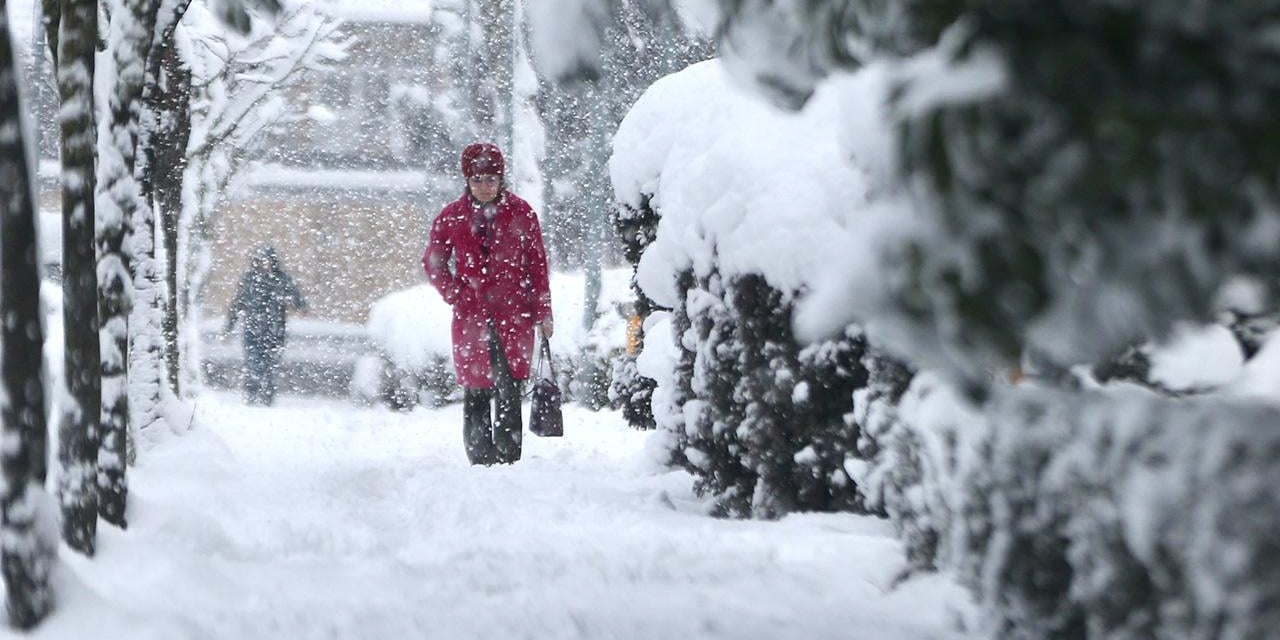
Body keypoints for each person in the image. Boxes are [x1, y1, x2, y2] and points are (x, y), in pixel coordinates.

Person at [423, 142, 553, 466]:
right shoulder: (451, 217)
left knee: (510, 391)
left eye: (491, 179)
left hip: (514, 316)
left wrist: (543, 311)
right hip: (472, 318)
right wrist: (455, 293)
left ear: (501, 180)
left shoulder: (522, 214)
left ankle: (508, 459)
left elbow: (537, 266)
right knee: (477, 391)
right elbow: (434, 262)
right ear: (467, 180)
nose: (484, 187)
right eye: (478, 180)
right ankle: (480, 461)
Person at [224, 244, 307, 405]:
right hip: (252, 330)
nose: (264, 264)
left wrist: (301, 307)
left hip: (275, 332)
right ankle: (251, 397)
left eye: (267, 260)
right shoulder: (249, 280)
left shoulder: (281, 279)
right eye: (261, 260)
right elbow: (237, 304)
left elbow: (295, 296)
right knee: (253, 365)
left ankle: (266, 398)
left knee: (270, 367)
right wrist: (228, 328)